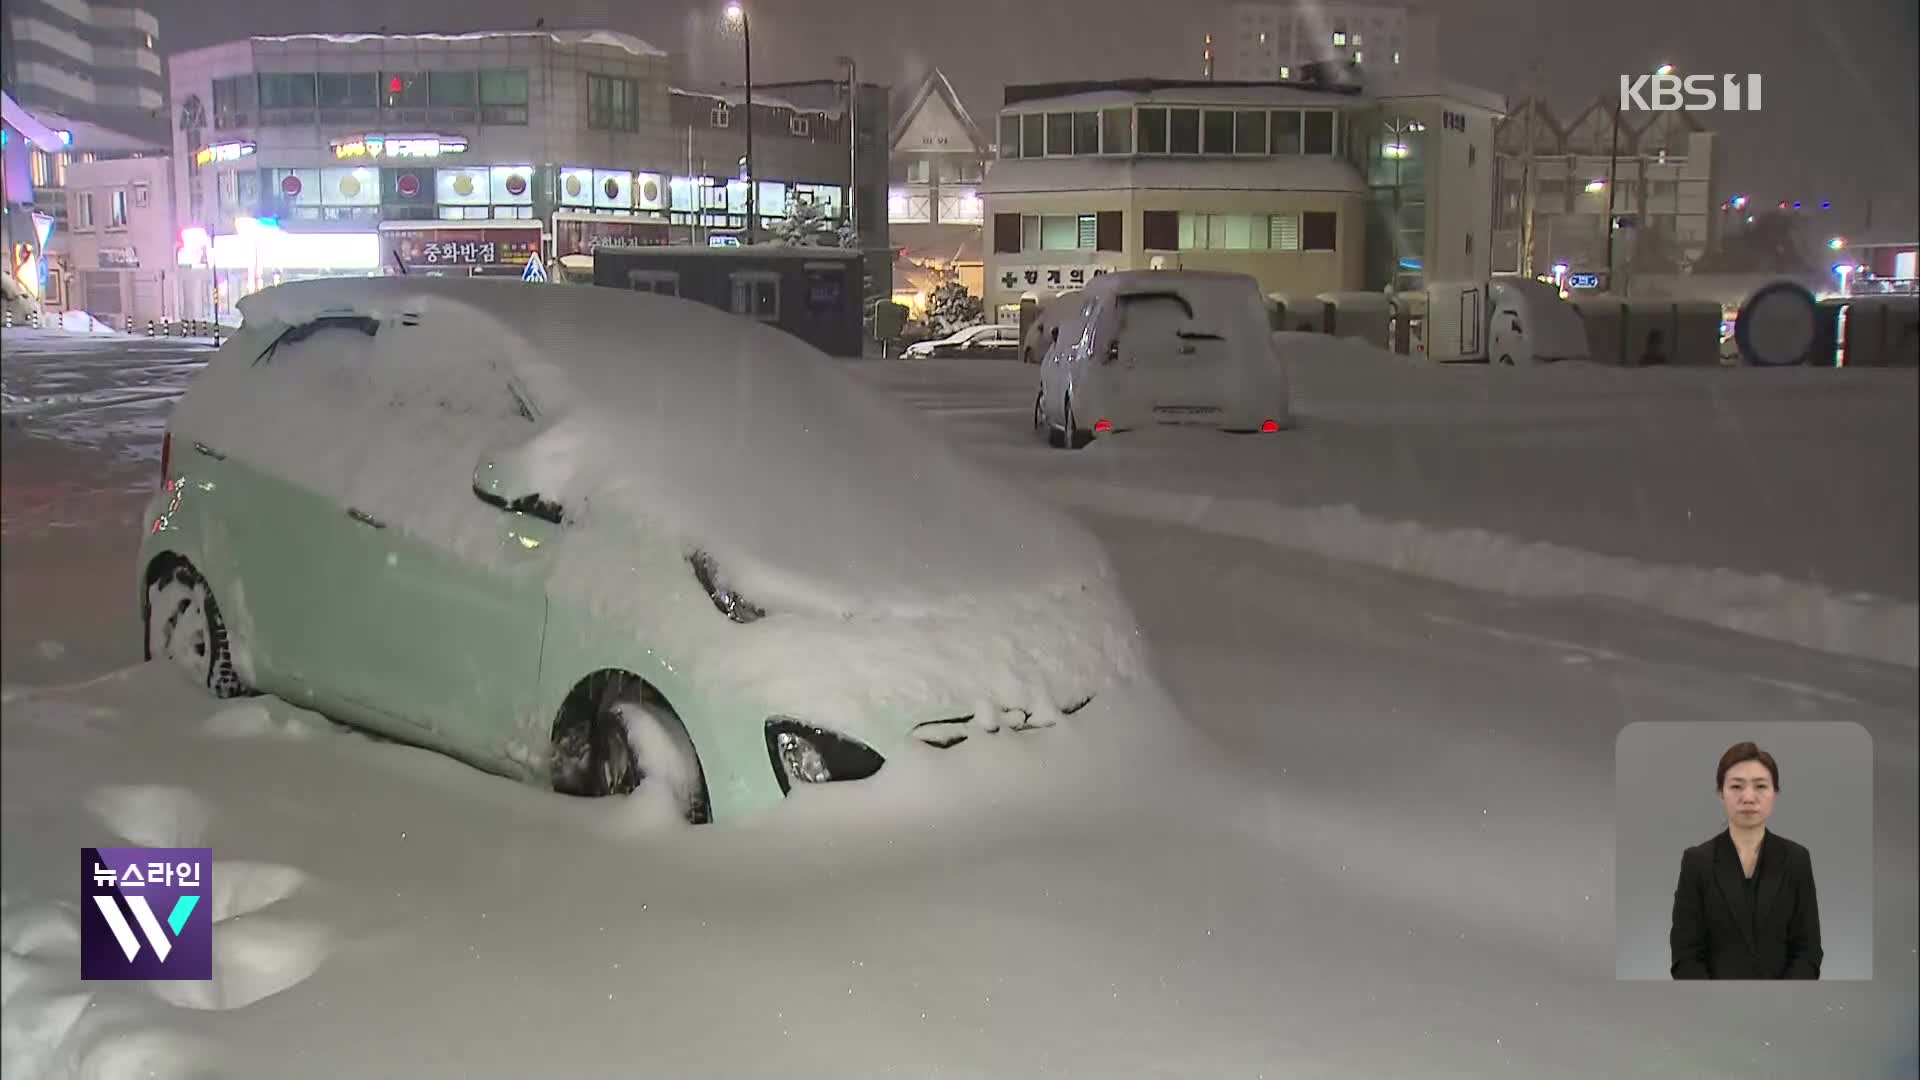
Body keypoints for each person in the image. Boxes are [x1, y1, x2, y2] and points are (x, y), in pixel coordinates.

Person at [1670, 742, 1822, 979]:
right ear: (1721, 792)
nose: (1748, 797)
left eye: (1761, 786)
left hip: (1784, 1006)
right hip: (1712, 1007)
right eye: (1736, 786)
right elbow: (1686, 955)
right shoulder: (1697, 862)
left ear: (1775, 793)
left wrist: (1785, 1001)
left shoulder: (1796, 859)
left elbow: (1808, 951)